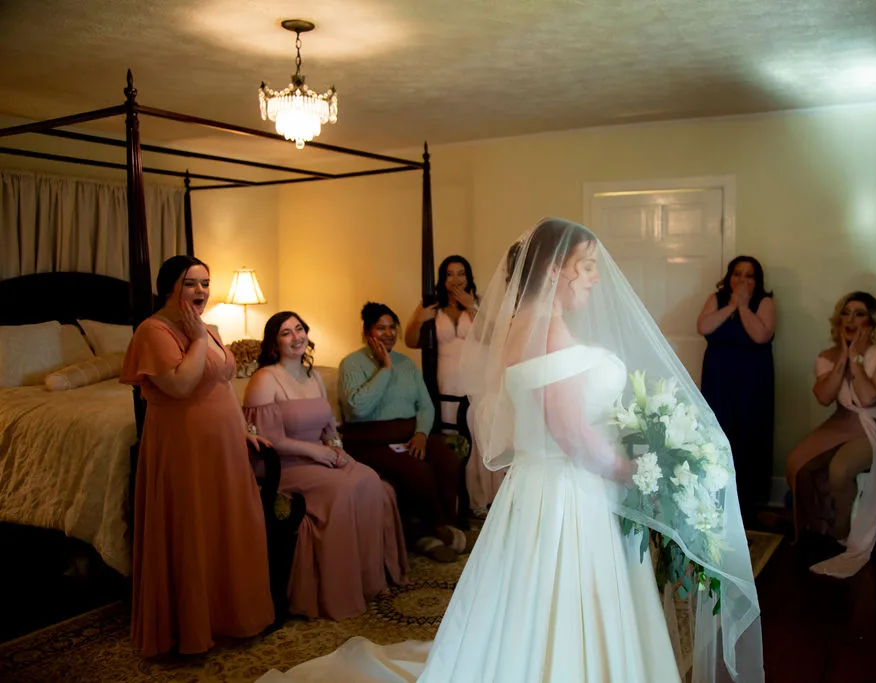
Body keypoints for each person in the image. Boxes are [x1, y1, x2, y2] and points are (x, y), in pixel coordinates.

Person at [259, 218, 762, 683]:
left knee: (539, 599)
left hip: (554, 487)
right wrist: (634, 471)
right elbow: (569, 433)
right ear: (552, 268)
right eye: (585, 266)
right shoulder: (542, 329)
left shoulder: (535, 324)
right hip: (568, 491)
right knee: (562, 599)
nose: (594, 277)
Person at [120, 255, 274, 657]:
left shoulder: (208, 327)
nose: (202, 291)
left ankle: (230, 617)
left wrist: (242, 429)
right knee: (193, 526)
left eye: (206, 283)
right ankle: (190, 628)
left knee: (229, 522)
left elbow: (224, 384)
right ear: (170, 287)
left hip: (222, 442)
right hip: (183, 446)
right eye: (191, 284)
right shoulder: (152, 331)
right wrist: (201, 340)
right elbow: (181, 385)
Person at [242, 311, 408, 621]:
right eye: (286, 333)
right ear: (274, 343)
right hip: (284, 465)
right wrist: (316, 453)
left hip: (318, 457)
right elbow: (269, 440)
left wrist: (335, 449)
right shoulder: (265, 379)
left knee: (371, 480)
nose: (297, 337)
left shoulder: (314, 376)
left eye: (300, 329)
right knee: (344, 489)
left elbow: (329, 428)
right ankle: (339, 590)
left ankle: (369, 580)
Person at [785, 291, 876, 578]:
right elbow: (825, 398)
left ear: (873, 321)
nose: (851, 319)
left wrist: (857, 359)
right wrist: (843, 357)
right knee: (797, 464)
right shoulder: (827, 356)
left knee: (839, 469)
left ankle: (843, 529)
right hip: (841, 423)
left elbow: (866, 398)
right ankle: (818, 526)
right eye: (846, 313)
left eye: (860, 313)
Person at [338, 303, 466, 563]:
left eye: (392, 327)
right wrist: (385, 368)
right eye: (380, 328)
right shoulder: (351, 364)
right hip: (370, 440)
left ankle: (431, 528)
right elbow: (358, 407)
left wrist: (420, 434)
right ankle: (434, 530)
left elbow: (426, 405)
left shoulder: (406, 363)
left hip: (409, 434)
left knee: (447, 459)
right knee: (417, 470)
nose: (388, 333)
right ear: (367, 333)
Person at [406, 255, 505, 516]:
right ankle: (456, 501)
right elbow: (411, 341)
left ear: (468, 276)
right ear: (442, 278)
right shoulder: (433, 307)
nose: (456, 279)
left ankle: (481, 499)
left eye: (461, 273)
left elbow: (493, 338)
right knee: (452, 442)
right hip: (445, 382)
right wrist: (418, 318)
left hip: (476, 382)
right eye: (450, 274)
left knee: (477, 436)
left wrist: (471, 306)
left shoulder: (479, 303)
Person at [696, 256, 776, 519]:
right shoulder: (716, 300)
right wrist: (731, 305)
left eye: (749, 276)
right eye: (737, 274)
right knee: (719, 433)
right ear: (729, 277)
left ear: (757, 280)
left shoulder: (764, 302)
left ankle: (748, 502)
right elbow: (703, 326)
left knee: (750, 432)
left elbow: (761, 335)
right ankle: (716, 495)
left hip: (753, 379)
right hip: (719, 378)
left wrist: (743, 307)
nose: (742, 280)